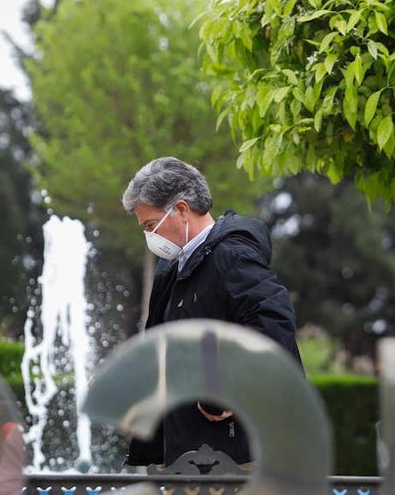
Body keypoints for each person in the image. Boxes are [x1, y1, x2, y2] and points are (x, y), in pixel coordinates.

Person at [121, 156, 302, 469]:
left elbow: (274, 326)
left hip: (235, 456)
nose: (149, 236)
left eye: (151, 225)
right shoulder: (173, 268)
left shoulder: (233, 256)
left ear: (181, 209)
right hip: (187, 456)